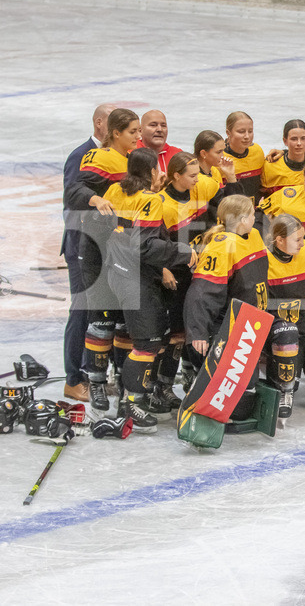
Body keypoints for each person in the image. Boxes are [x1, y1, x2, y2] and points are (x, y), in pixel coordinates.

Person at [105, 148, 196, 431]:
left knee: (152, 337)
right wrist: (183, 251)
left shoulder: (114, 190)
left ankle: (140, 395)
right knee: (147, 342)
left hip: (119, 272)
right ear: (153, 172)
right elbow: (143, 245)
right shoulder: (150, 200)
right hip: (135, 277)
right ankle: (131, 402)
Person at [64, 107, 140, 412]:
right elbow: (74, 189)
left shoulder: (130, 160)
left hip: (121, 249)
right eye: (133, 131)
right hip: (95, 247)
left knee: (120, 321)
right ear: (116, 132)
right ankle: (85, 380)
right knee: (95, 318)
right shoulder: (99, 156)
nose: (139, 136)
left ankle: (119, 381)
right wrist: (94, 199)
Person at [157, 149, 244, 398]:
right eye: (192, 175)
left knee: (194, 330)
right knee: (175, 335)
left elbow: (233, 210)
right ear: (176, 176)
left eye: (198, 174)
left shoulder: (203, 187)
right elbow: (152, 242)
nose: (198, 179)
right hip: (174, 275)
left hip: (202, 269)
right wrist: (163, 269)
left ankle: (190, 375)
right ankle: (163, 387)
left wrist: (230, 179)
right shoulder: (162, 204)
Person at [60, 102, 115, 402]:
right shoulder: (81, 156)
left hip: (101, 246)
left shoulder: (114, 157)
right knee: (81, 309)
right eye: (114, 122)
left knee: (98, 311)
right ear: (99, 123)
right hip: (81, 245)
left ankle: (89, 371)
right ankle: (73, 378)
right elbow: (72, 201)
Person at [184, 195, 269, 365]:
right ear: (243, 220)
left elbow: (258, 222)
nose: (255, 216)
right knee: (244, 381)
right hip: (230, 322)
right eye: (252, 213)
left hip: (256, 318)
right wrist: (198, 332)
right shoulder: (221, 248)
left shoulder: (254, 234)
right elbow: (201, 292)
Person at [265, 214, 305, 419]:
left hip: (299, 327)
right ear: (280, 240)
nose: (303, 244)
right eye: (298, 240)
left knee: (291, 381)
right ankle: (278, 391)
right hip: (268, 326)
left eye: (303, 238)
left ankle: (287, 390)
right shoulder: (261, 260)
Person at [260, 119, 305, 195]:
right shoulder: (269, 166)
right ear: (285, 141)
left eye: (303, 138)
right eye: (294, 139)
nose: (299, 143)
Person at [223, 111, 265, 204]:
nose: (247, 136)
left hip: (257, 212)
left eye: (250, 131)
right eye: (241, 132)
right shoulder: (220, 159)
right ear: (228, 133)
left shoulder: (257, 151)